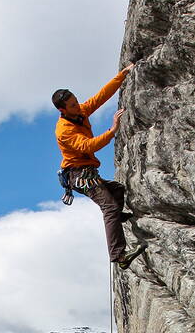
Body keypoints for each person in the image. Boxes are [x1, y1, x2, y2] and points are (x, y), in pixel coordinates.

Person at [53, 64, 146, 269]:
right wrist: (112, 130)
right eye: (73, 105)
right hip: (78, 175)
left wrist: (121, 76)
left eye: (76, 102)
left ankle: (118, 218)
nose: (78, 106)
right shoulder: (64, 130)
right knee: (109, 206)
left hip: (87, 171)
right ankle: (118, 256)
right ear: (63, 110)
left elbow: (100, 97)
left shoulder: (79, 113)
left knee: (118, 190)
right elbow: (87, 146)